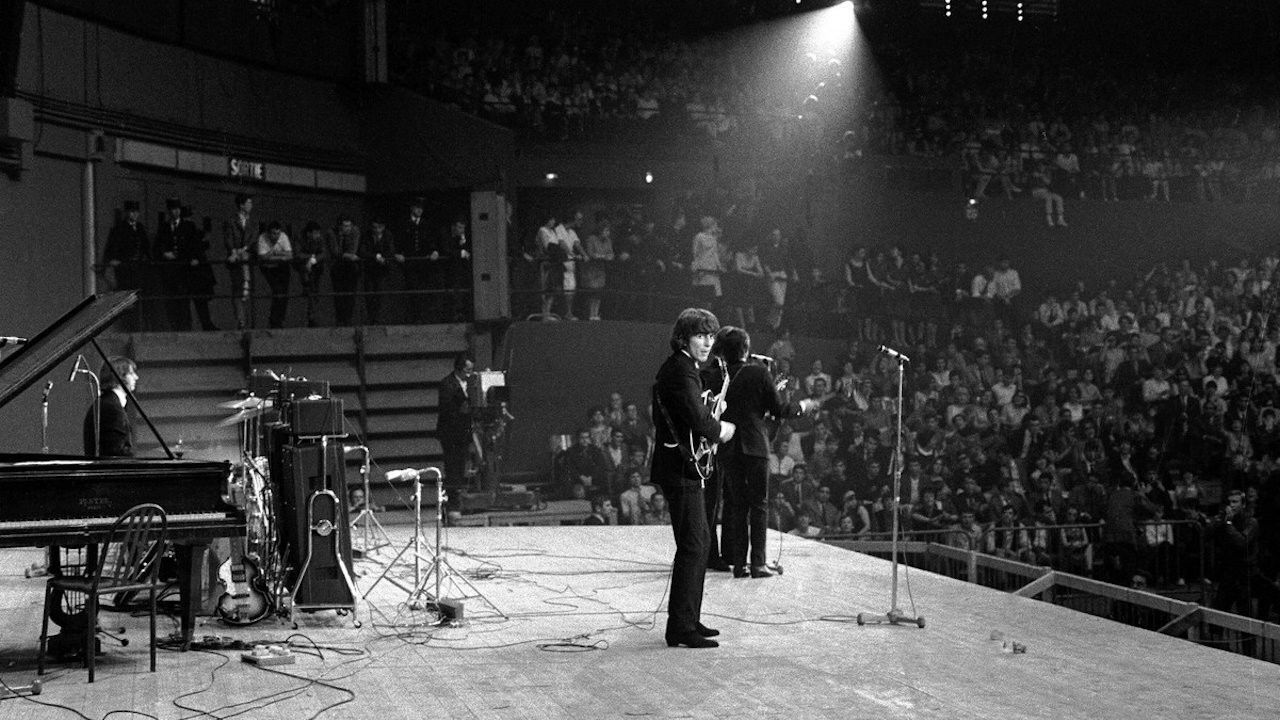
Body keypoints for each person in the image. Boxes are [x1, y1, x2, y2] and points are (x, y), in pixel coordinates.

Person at [650, 308, 735, 648]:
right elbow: (698, 421)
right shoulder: (682, 370)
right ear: (684, 337)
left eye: (710, 336)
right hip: (679, 468)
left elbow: (690, 411)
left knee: (698, 544)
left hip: (684, 467)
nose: (707, 342)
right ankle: (680, 629)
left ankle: (688, 619)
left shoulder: (685, 370)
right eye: (700, 335)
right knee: (694, 545)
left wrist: (709, 406)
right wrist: (722, 429)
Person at [715, 326, 816, 578]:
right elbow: (780, 409)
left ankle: (739, 564)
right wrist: (804, 405)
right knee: (758, 505)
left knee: (738, 505)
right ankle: (757, 563)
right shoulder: (758, 372)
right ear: (746, 349)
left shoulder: (720, 375)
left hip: (729, 447)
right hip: (754, 446)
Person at [102, 200, 150, 331]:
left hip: (137, 270)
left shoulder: (140, 228)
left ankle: (138, 326)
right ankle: (128, 326)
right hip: (125, 270)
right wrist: (115, 261)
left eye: (135, 212)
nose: (133, 215)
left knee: (138, 299)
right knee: (126, 300)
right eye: (131, 212)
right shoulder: (119, 229)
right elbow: (111, 250)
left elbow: (146, 247)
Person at [83, 356, 139, 457]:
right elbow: (117, 452)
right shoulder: (112, 408)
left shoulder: (106, 402)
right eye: (131, 373)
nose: (136, 377)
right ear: (120, 377)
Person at [437, 353, 474, 491]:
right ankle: (453, 495)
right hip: (451, 432)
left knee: (461, 464)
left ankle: (460, 491)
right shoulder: (447, 384)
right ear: (460, 368)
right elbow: (445, 408)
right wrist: (460, 410)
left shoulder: (470, 384)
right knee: (452, 466)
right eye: (467, 371)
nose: (469, 374)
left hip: (464, 431)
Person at [222, 193, 256, 329]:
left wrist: (245, 249)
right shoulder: (231, 222)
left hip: (247, 257)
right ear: (241, 205)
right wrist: (234, 251)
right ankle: (241, 321)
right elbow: (228, 238)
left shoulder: (252, 223)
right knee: (237, 289)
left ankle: (248, 321)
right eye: (249, 203)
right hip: (236, 258)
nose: (251, 205)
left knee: (247, 289)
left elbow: (253, 239)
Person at [256, 221, 293, 328]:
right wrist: (280, 256)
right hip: (268, 268)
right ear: (268, 233)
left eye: (277, 234)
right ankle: (274, 320)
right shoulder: (262, 238)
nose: (275, 237)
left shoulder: (283, 237)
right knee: (277, 291)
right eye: (273, 234)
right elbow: (262, 257)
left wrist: (272, 255)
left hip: (281, 267)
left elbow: (290, 255)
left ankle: (279, 319)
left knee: (284, 294)